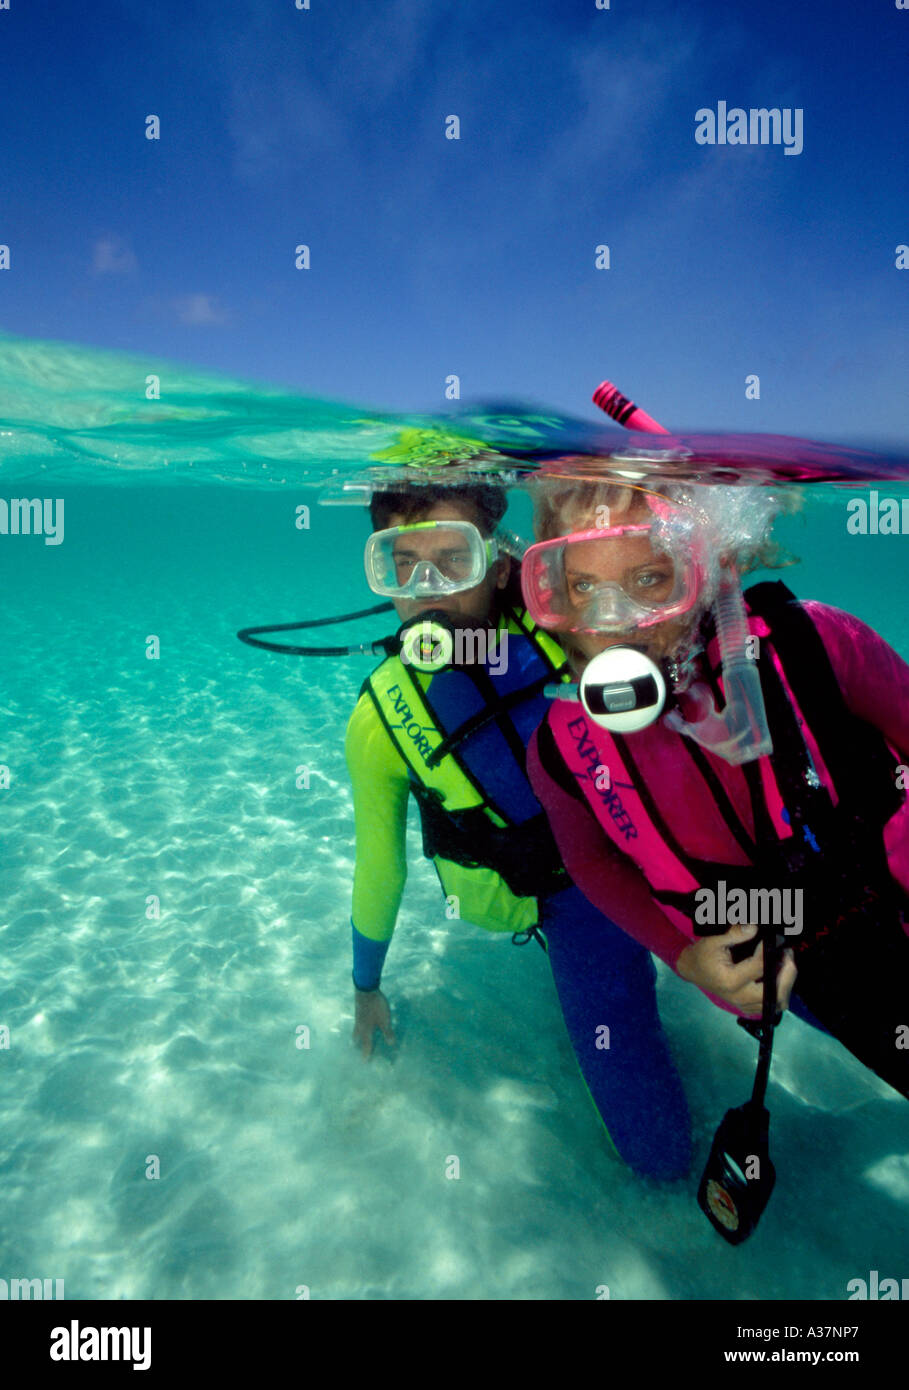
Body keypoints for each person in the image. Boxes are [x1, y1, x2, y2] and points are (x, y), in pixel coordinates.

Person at [344, 480, 692, 1179]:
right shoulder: (379, 720)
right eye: (401, 565)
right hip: (576, 905)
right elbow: (379, 865)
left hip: (671, 857)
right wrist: (365, 985)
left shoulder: (567, 625)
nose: (426, 588)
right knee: (655, 1153)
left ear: (501, 567)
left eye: (452, 559)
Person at [522, 475, 909, 1101]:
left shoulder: (814, 643)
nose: (613, 624)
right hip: (820, 981)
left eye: (649, 580)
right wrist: (684, 957)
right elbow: (591, 862)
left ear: (702, 573)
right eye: (584, 588)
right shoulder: (560, 751)